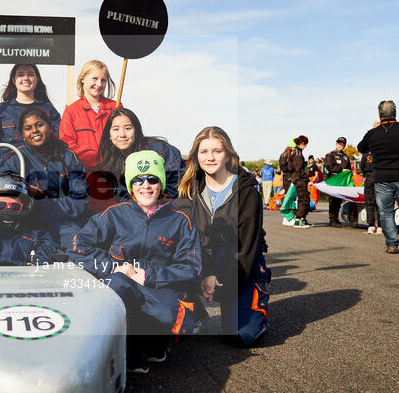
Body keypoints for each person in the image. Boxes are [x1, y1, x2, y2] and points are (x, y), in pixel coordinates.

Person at [69, 150, 201, 374]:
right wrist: (112, 266)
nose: (145, 185)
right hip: (122, 282)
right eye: (138, 180)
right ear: (131, 186)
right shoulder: (113, 215)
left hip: (157, 288)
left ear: (161, 183)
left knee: (172, 316)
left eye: (152, 179)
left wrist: (149, 275)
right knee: (116, 286)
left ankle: (154, 343)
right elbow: (76, 248)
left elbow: (192, 268)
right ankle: (124, 351)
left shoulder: (181, 221)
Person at [175, 127, 271, 345]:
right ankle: (195, 311)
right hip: (200, 262)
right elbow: (185, 239)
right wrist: (206, 273)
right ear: (195, 156)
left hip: (237, 264)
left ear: (228, 154)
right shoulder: (188, 190)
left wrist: (225, 283)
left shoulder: (246, 190)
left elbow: (246, 246)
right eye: (204, 152)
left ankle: (255, 309)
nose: (210, 157)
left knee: (241, 336)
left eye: (216, 151)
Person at [0, 107, 88, 248]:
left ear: (50, 127)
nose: (34, 130)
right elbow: (0, 195)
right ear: (22, 134)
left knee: (80, 243)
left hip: (62, 224)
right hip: (26, 224)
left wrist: (43, 206)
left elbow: (80, 199)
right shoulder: (14, 159)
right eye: (28, 128)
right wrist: (26, 195)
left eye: (39, 125)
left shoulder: (68, 157)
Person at [357, 100, 399, 254]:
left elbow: (360, 148)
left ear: (379, 114)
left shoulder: (373, 133)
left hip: (382, 178)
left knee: (386, 212)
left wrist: (374, 134)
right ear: (395, 113)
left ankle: (391, 244)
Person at [95, 107, 185, 211]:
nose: (122, 134)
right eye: (116, 129)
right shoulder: (111, 160)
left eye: (128, 128)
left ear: (136, 131)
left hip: (170, 210)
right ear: (109, 135)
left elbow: (178, 186)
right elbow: (123, 198)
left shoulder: (160, 150)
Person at [59, 59, 120, 173]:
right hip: (84, 173)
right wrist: (95, 160)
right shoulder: (71, 111)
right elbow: (67, 145)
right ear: (83, 79)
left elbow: (124, 137)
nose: (99, 84)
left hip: (113, 171)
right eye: (95, 79)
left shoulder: (115, 107)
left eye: (103, 80)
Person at [0, 64, 61, 147]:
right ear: (14, 80)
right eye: (21, 75)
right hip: (11, 158)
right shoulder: (1, 110)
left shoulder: (49, 109)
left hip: (41, 159)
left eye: (30, 74)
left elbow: (57, 140)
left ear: (37, 79)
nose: (26, 78)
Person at [279, 136, 311, 228]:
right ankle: (290, 218)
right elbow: (293, 167)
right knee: (292, 198)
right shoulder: (290, 154)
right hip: (292, 177)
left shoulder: (293, 153)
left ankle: (295, 218)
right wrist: (292, 169)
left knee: (295, 199)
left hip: (294, 177)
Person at [324, 137, 351, 227]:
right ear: (336, 144)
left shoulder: (346, 157)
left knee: (339, 200)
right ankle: (332, 219)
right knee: (332, 200)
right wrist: (341, 169)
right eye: (338, 144)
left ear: (344, 146)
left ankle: (336, 218)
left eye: (342, 144)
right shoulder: (330, 155)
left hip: (342, 181)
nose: (340, 146)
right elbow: (329, 166)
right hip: (333, 179)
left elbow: (349, 169)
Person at [360, 151, 381, 234]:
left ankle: (371, 226)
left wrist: (366, 175)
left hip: (369, 177)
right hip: (379, 178)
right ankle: (380, 226)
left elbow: (362, 166)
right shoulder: (380, 152)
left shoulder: (365, 155)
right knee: (380, 203)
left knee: (369, 203)